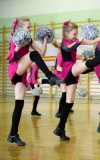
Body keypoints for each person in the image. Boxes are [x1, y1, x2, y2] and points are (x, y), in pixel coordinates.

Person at [53, 20, 100, 140]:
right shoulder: (64, 43)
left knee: (69, 102)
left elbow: (93, 41)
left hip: (73, 72)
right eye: (74, 34)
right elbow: (69, 48)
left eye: (77, 34)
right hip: (68, 69)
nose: (76, 36)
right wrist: (81, 37)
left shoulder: (75, 40)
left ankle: (60, 128)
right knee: (88, 63)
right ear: (67, 34)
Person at [7, 17, 63, 146]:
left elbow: (41, 53)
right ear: (20, 28)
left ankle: (13, 134)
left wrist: (45, 39)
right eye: (28, 27)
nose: (31, 29)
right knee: (32, 55)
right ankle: (50, 77)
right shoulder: (14, 38)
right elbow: (11, 56)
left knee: (19, 104)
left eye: (31, 27)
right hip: (15, 68)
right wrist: (19, 45)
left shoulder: (29, 40)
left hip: (21, 74)